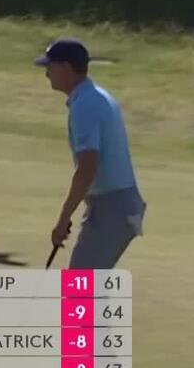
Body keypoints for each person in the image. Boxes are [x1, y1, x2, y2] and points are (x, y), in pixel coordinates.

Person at [37, 39, 146, 269]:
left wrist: (63, 219)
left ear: (66, 68)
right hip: (114, 204)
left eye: (50, 66)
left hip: (112, 207)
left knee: (80, 289)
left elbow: (87, 169)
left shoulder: (86, 105)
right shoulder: (94, 96)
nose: (46, 73)